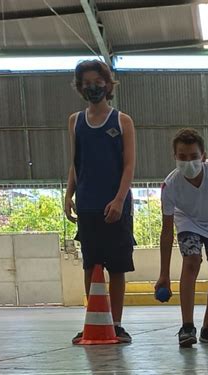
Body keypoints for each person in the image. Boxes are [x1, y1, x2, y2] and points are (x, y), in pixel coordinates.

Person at [64, 59, 136, 344]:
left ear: (108, 84)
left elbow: (129, 166)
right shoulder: (75, 121)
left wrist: (119, 200)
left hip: (116, 206)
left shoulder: (122, 121)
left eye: (98, 82)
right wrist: (69, 194)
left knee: (117, 267)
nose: (93, 87)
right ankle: (94, 320)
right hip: (87, 204)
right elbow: (75, 163)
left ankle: (115, 324)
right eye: (87, 83)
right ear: (80, 88)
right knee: (91, 265)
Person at [156, 128, 208, 348]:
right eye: (182, 157)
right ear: (175, 157)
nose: (188, 162)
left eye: (193, 156)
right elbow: (166, 230)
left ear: (204, 156)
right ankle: (187, 326)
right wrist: (164, 274)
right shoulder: (170, 185)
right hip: (187, 221)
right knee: (191, 261)